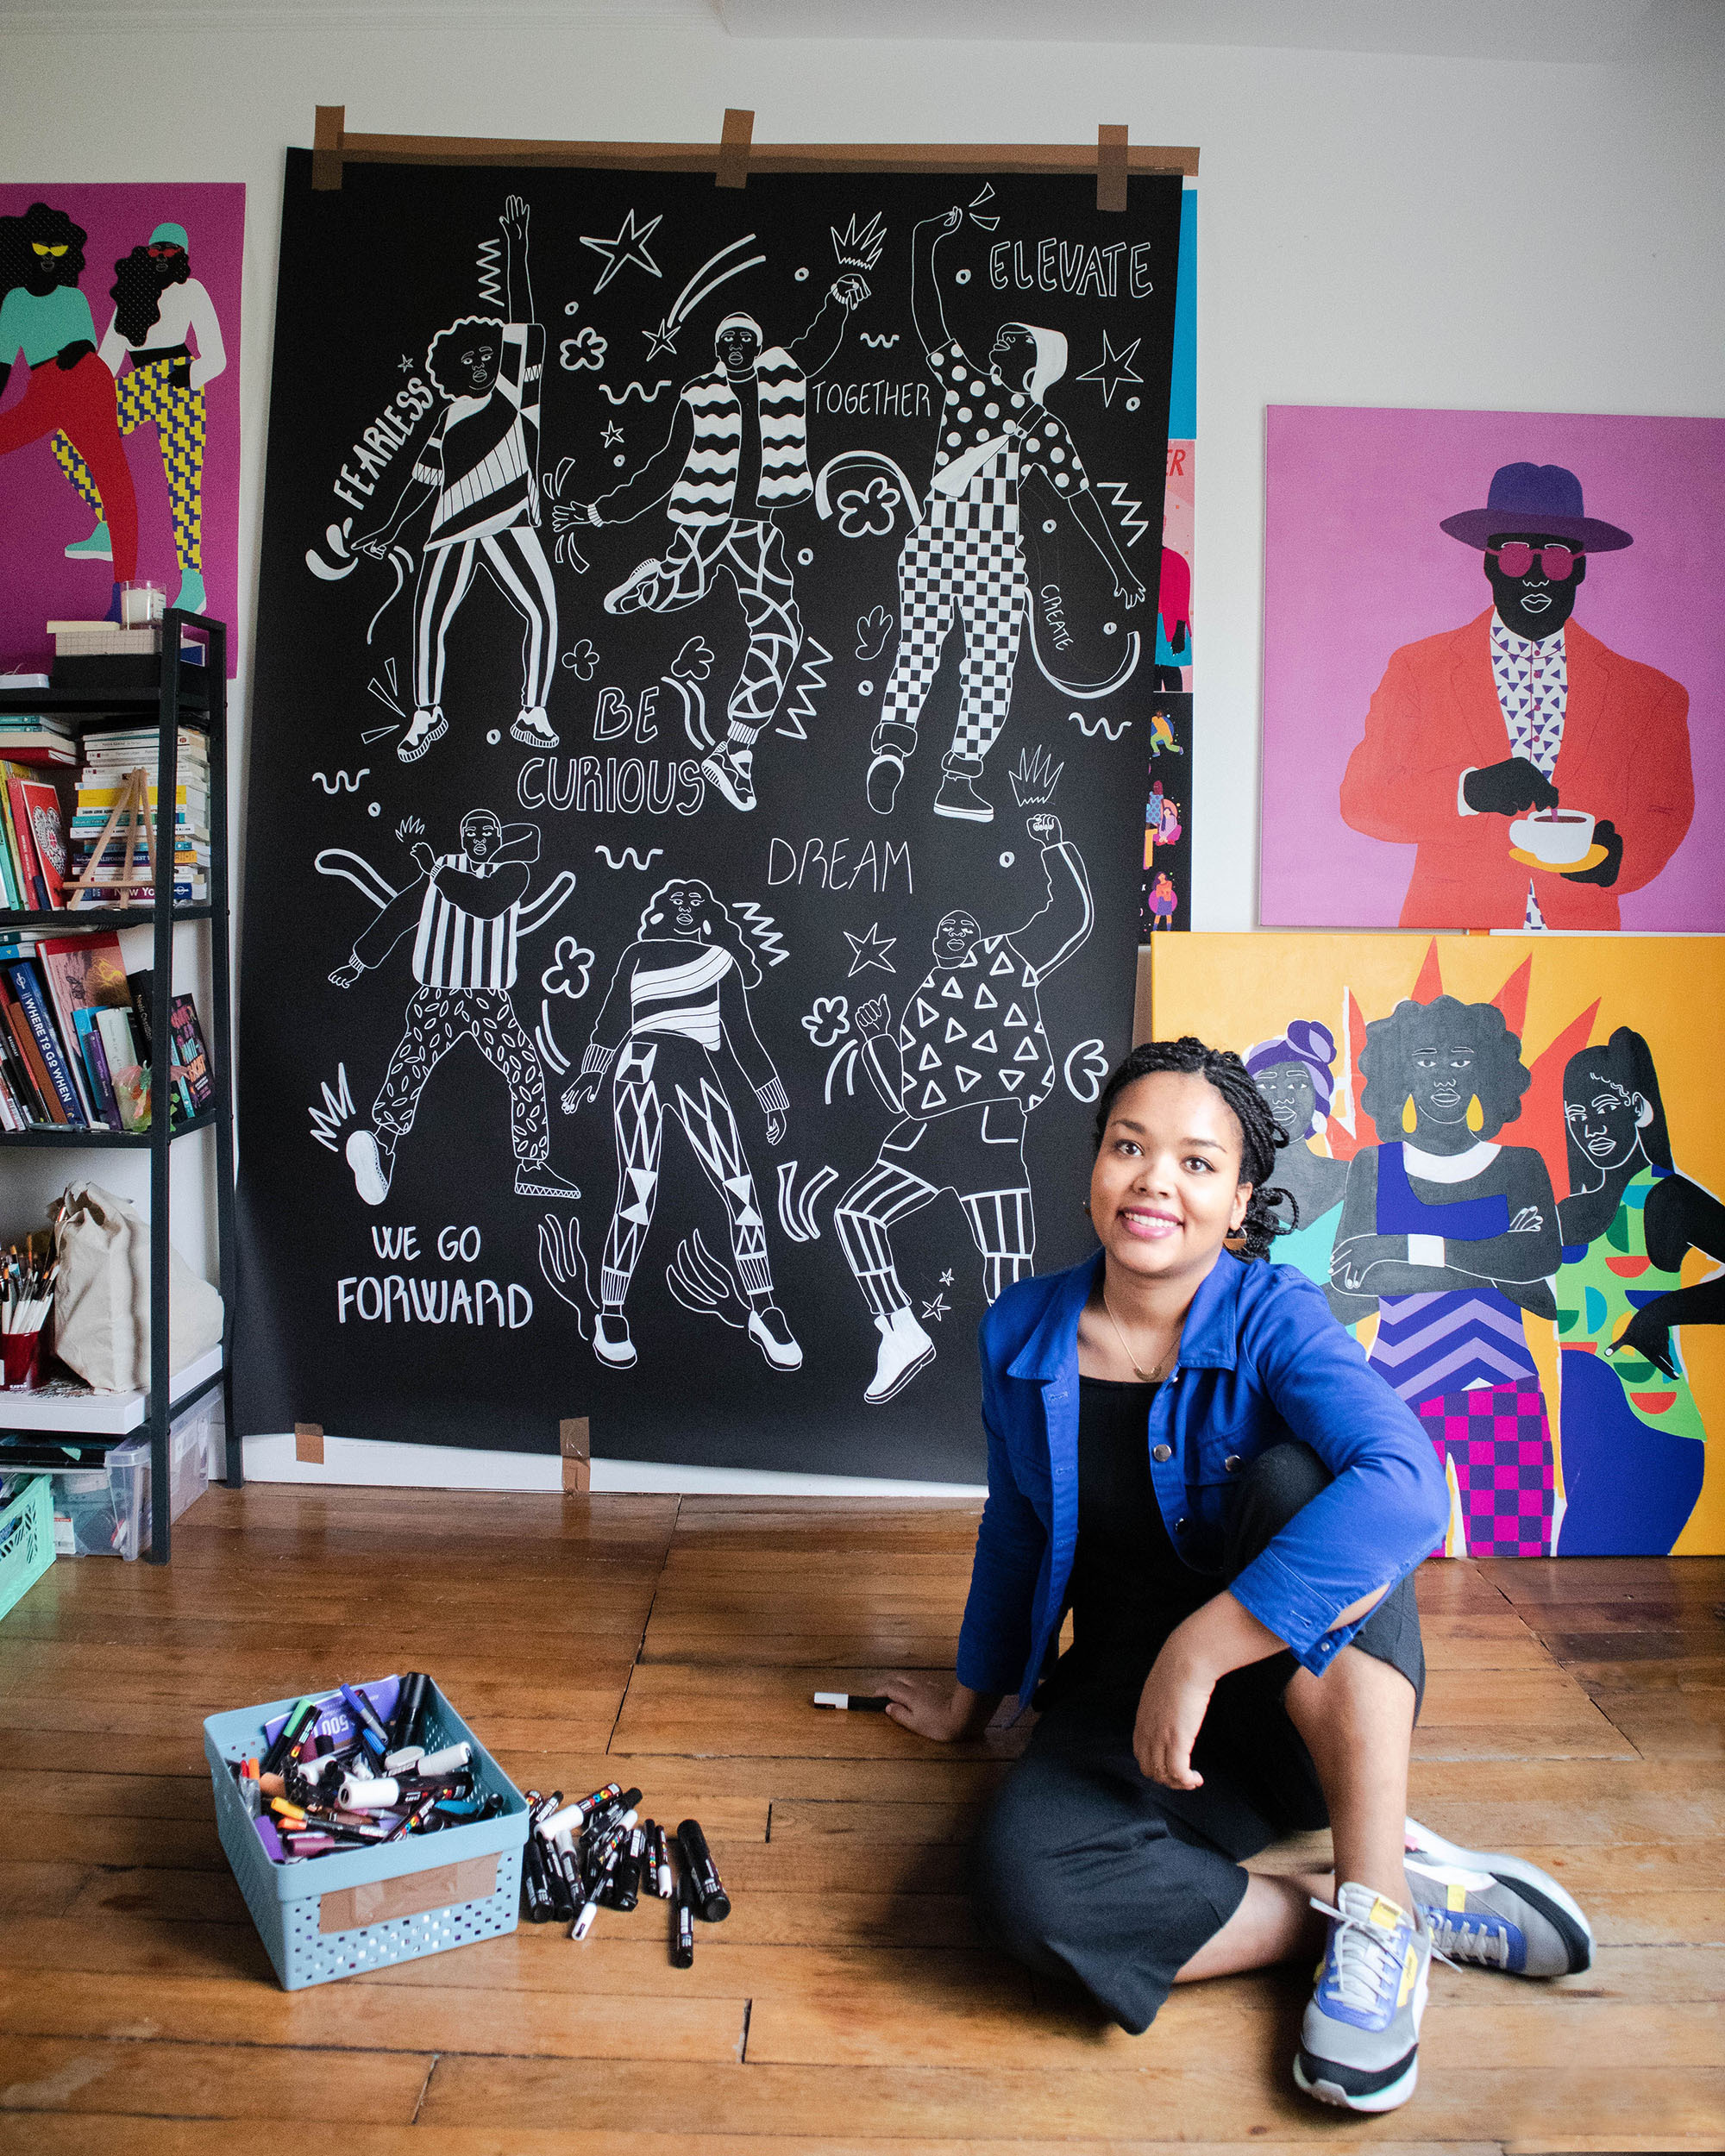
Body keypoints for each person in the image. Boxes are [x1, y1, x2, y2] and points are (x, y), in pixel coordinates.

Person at [880, 1038, 1594, 2115]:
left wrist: (1202, 1646)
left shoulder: (1274, 1314)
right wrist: (968, 1700)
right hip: (1128, 1711)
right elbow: (1016, 1521)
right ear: (1093, 1167)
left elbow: (1407, 1487)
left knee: (1301, 1480)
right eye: (1128, 1146)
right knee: (1026, 1893)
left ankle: (1372, 1912)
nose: (1154, 1179)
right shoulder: (1019, 1331)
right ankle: (1375, 1900)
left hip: (1298, 1698)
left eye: (1196, 1162)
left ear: (1240, 1199)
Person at [865, 205, 1145, 825]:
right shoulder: (1042, 426)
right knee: (990, 667)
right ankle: (959, 776)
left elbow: (928, 321)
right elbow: (1080, 499)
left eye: (1009, 343)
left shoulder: (967, 386)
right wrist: (1122, 569)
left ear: (1034, 361)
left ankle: (892, 744)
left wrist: (924, 243)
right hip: (990, 554)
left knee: (918, 648)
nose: (995, 346)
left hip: (937, 540)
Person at [555, 276, 869, 813]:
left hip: (756, 528)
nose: (739, 348)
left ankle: (736, 754)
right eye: (729, 341)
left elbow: (816, 347)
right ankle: (654, 581)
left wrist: (837, 302)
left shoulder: (781, 376)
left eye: (747, 339)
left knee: (781, 630)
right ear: (718, 349)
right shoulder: (698, 396)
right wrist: (599, 512)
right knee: (682, 592)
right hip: (703, 521)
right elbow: (662, 469)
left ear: (758, 342)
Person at [1340, 461, 1692, 930]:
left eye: (1557, 558)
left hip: (1584, 944)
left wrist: (1614, 860)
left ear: (1580, 569)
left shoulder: (1650, 695)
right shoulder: (1418, 670)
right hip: (1452, 936)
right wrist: (1471, 791)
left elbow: (1666, 811)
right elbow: (1363, 799)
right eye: (1515, 557)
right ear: (1489, 563)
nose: (1535, 576)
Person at [833, 813, 1091, 1404]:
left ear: (977, 936)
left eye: (964, 926)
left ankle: (1022, 1369)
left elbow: (1070, 920)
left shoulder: (1008, 960)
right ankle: (898, 1330)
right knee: (856, 1215)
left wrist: (1053, 846)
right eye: (944, 928)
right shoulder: (921, 1002)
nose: (954, 932)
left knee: (1004, 1258)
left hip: (990, 1125)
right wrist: (876, 1041)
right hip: (924, 1135)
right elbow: (903, 1095)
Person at [1330, 993, 1562, 1557]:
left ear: (1486, 1071)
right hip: (1396, 1394)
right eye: (1425, 1059)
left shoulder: (1520, 1165)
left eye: (1460, 1060)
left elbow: (1540, 1264)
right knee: (1393, 1562)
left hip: (1501, 1392)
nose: (1443, 1075)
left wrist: (1405, 1248)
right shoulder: (1374, 1167)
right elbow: (1353, 1285)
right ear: (1399, 1071)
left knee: (1518, 1557)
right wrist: (1494, 1259)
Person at [561, 878, 801, 1375]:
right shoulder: (637, 954)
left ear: (708, 912)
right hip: (639, 1063)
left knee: (739, 1186)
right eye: (678, 902)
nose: (687, 909)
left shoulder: (721, 962)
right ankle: (611, 1311)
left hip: (696, 1066)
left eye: (696, 902)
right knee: (637, 1189)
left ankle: (764, 1309)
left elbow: (743, 1037)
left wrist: (770, 1099)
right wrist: (589, 1074)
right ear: (662, 911)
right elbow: (612, 1020)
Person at [353, 197, 557, 765]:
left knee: (542, 611)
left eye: (486, 357)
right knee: (428, 620)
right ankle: (426, 714)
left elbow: (520, 317)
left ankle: (533, 710)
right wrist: (391, 529)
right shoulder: (449, 416)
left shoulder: (518, 392)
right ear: (453, 366)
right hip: (450, 527)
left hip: (511, 516)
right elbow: (422, 478)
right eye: (467, 360)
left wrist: (517, 248)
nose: (478, 366)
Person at [329, 807, 579, 1204]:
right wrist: (360, 961)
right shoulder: (440, 869)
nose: (479, 836)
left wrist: (431, 868)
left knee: (524, 1067)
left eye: (488, 829)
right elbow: (401, 913)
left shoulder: (513, 873)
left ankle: (531, 1166)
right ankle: (382, 1150)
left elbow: (485, 902)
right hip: (439, 991)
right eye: (471, 830)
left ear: (499, 838)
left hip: (488, 997)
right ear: (463, 838)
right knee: (413, 1061)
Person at [1555, 1028, 1722, 1554]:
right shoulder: (1568, 1212)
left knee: (1582, 1597)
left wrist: (1660, 1314)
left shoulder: (1663, 1197)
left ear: (1638, 1109)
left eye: (1603, 1107)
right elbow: (1568, 1312)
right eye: (1576, 1116)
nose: (1591, 1127)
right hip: (1584, 1428)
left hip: (1651, 1430)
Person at [57, 219, 227, 615]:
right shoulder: (130, 296)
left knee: (183, 485)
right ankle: (108, 524)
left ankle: (194, 582)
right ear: (146, 253)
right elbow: (107, 360)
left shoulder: (193, 290)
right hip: (140, 382)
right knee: (69, 442)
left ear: (182, 256)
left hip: (179, 384)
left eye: (170, 251)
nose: (162, 257)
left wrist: (189, 376)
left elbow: (216, 357)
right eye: (156, 250)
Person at [0, 200, 138, 619]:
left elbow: (84, 346)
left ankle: (122, 599)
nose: (46, 256)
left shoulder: (74, 298)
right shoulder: (14, 304)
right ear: (25, 250)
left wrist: (76, 350)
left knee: (116, 482)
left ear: (67, 255)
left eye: (56, 249)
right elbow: (3, 367)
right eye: (40, 247)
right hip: (44, 387)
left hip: (85, 382)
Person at [1245, 1019, 1371, 1327]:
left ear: (1319, 1095)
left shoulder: (1357, 1177)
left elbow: (1374, 1287)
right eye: (1267, 1084)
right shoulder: (1233, 1186)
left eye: (1297, 1083)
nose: (1283, 1096)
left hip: (1338, 1356)